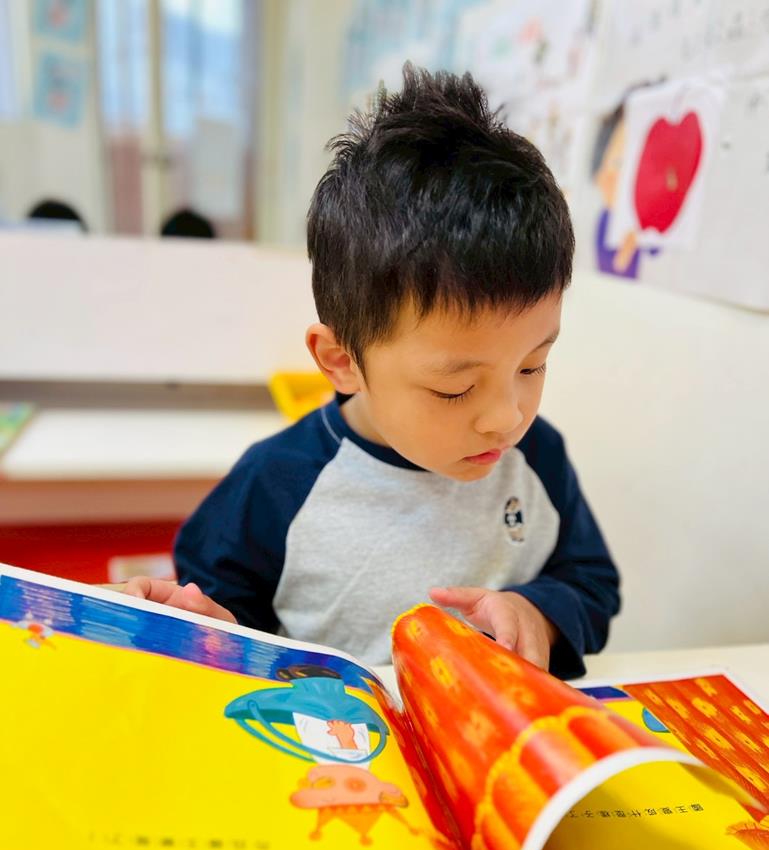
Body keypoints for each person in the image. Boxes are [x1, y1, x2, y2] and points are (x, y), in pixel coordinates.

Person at [125, 65, 620, 677]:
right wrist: (213, 628)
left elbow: (592, 583)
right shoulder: (276, 483)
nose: (506, 417)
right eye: (455, 388)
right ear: (343, 361)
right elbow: (224, 615)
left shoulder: (537, 458)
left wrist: (539, 612)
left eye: (532, 366)